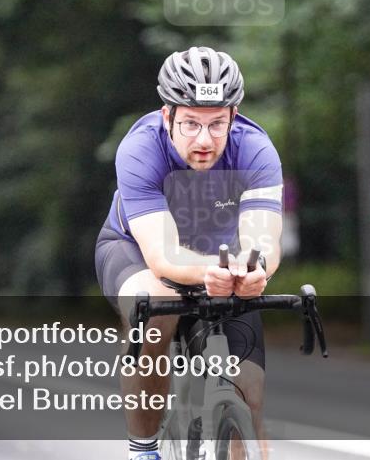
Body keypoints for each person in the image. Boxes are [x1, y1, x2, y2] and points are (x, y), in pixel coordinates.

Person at [95, 46, 283, 460]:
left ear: (233, 116)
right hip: (137, 251)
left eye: (217, 124)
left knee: (248, 396)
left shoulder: (255, 149)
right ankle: (143, 448)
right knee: (157, 310)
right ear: (168, 116)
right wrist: (210, 273)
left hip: (222, 261)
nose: (204, 139)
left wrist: (256, 270)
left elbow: (263, 239)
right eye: (191, 124)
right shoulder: (141, 148)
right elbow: (162, 257)